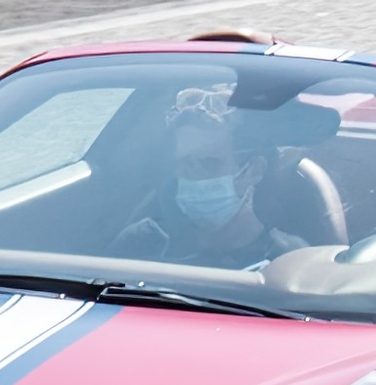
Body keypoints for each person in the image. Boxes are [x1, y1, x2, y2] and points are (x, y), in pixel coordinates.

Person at [113, 92, 309, 270]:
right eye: (184, 164)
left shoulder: (289, 262)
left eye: (209, 164)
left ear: (254, 171)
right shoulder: (141, 243)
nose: (193, 178)